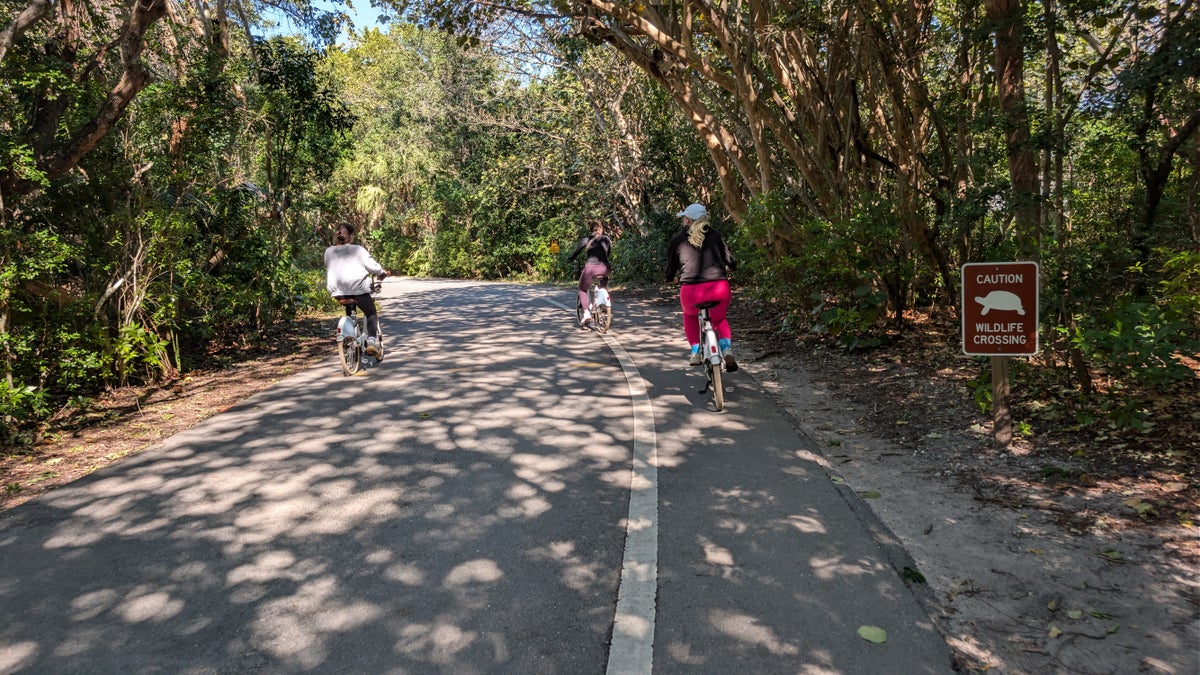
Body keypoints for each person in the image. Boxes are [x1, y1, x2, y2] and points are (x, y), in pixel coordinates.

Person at [664, 202, 738, 371]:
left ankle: (696, 351)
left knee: (690, 316)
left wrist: (670, 278)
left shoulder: (678, 239)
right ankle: (726, 349)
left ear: (688, 220)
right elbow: (729, 259)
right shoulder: (715, 235)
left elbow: (671, 266)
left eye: (684, 218)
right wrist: (731, 267)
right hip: (719, 288)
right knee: (719, 319)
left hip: (691, 291)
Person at [325, 222, 387, 357]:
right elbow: (373, 267)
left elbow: (329, 265)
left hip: (338, 292)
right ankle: (371, 341)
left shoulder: (329, 251)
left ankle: (350, 336)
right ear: (351, 236)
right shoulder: (358, 250)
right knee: (370, 312)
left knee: (350, 307)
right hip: (358, 291)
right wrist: (381, 272)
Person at [567, 219, 612, 327]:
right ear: (600, 228)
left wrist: (570, 259)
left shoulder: (587, 239)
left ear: (591, 229)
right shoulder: (606, 239)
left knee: (582, 289)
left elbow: (576, 252)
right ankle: (601, 296)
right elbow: (608, 253)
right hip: (605, 267)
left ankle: (586, 312)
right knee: (602, 286)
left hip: (591, 268)